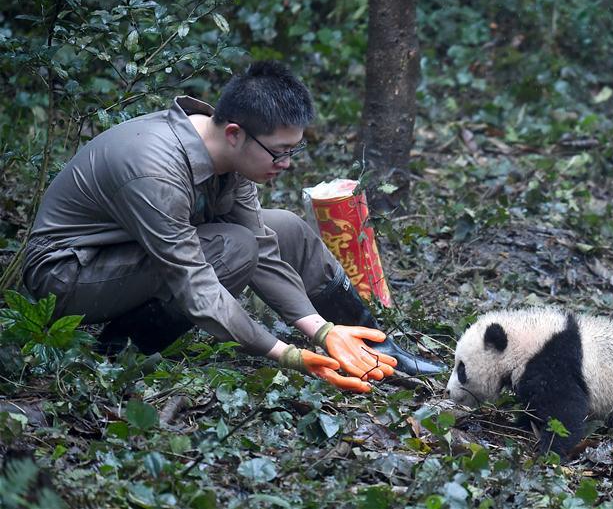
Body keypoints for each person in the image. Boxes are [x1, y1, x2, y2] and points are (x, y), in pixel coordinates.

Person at [22, 61, 445, 392]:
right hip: (67, 276)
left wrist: (322, 331)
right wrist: (286, 354)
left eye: (293, 151)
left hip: (131, 259)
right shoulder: (154, 170)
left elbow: (263, 243)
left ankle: (372, 345)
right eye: (279, 154)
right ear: (235, 133)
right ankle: (126, 346)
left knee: (284, 229)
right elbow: (195, 281)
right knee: (233, 246)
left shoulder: (229, 153)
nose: (287, 165)